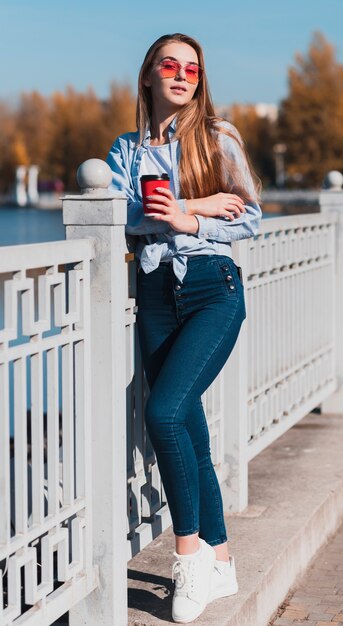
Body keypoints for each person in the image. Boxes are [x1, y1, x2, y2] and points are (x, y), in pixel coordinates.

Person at [106, 32, 262, 624]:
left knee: (165, 413)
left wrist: (188, 218)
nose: (180, 74)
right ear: (147, 76)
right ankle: (222, 562)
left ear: (200, 79)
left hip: (210, 290)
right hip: (154, 297)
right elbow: (119, 216)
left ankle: (188, 557)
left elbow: (249, 219)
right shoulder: (125, 150)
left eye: (191, 68)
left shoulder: (218, 139)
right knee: (189, 428)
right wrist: (186, 207)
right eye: (168, 65)